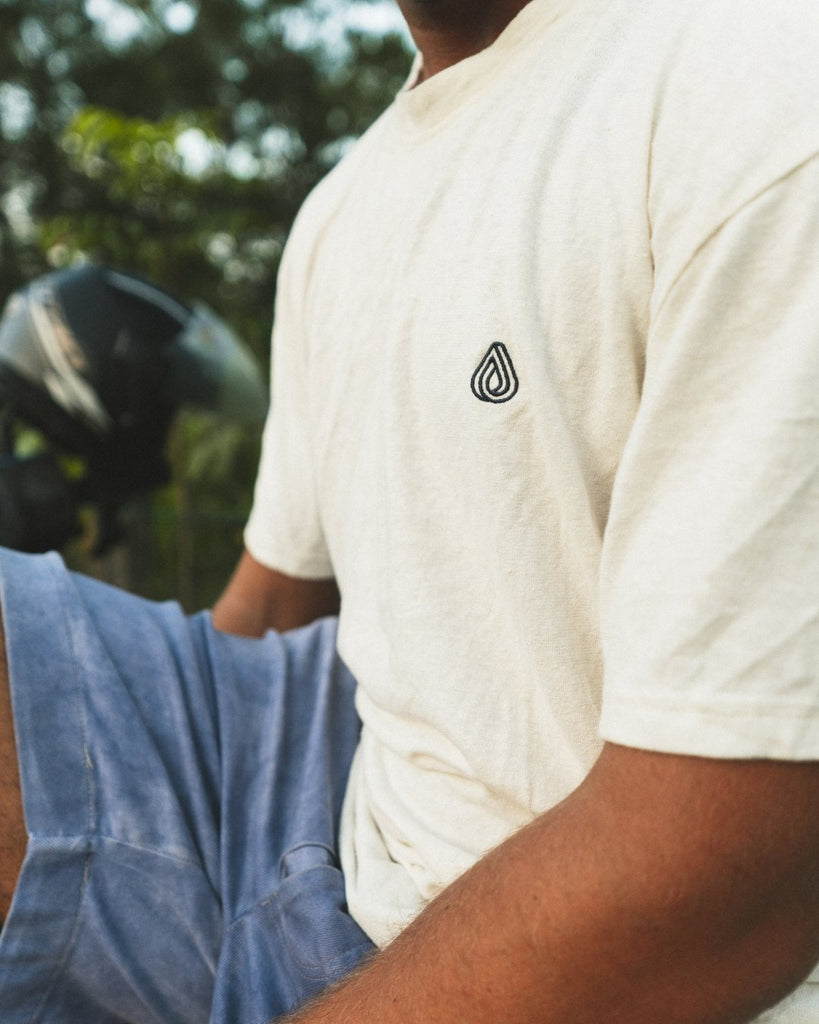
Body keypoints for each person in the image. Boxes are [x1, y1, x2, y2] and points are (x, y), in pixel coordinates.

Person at [3, 0, 819, 1020]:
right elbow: (268, 610)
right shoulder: (340, 212)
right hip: (323, 807)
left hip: (542, 953)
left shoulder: (755, 78)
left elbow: (735, 869)